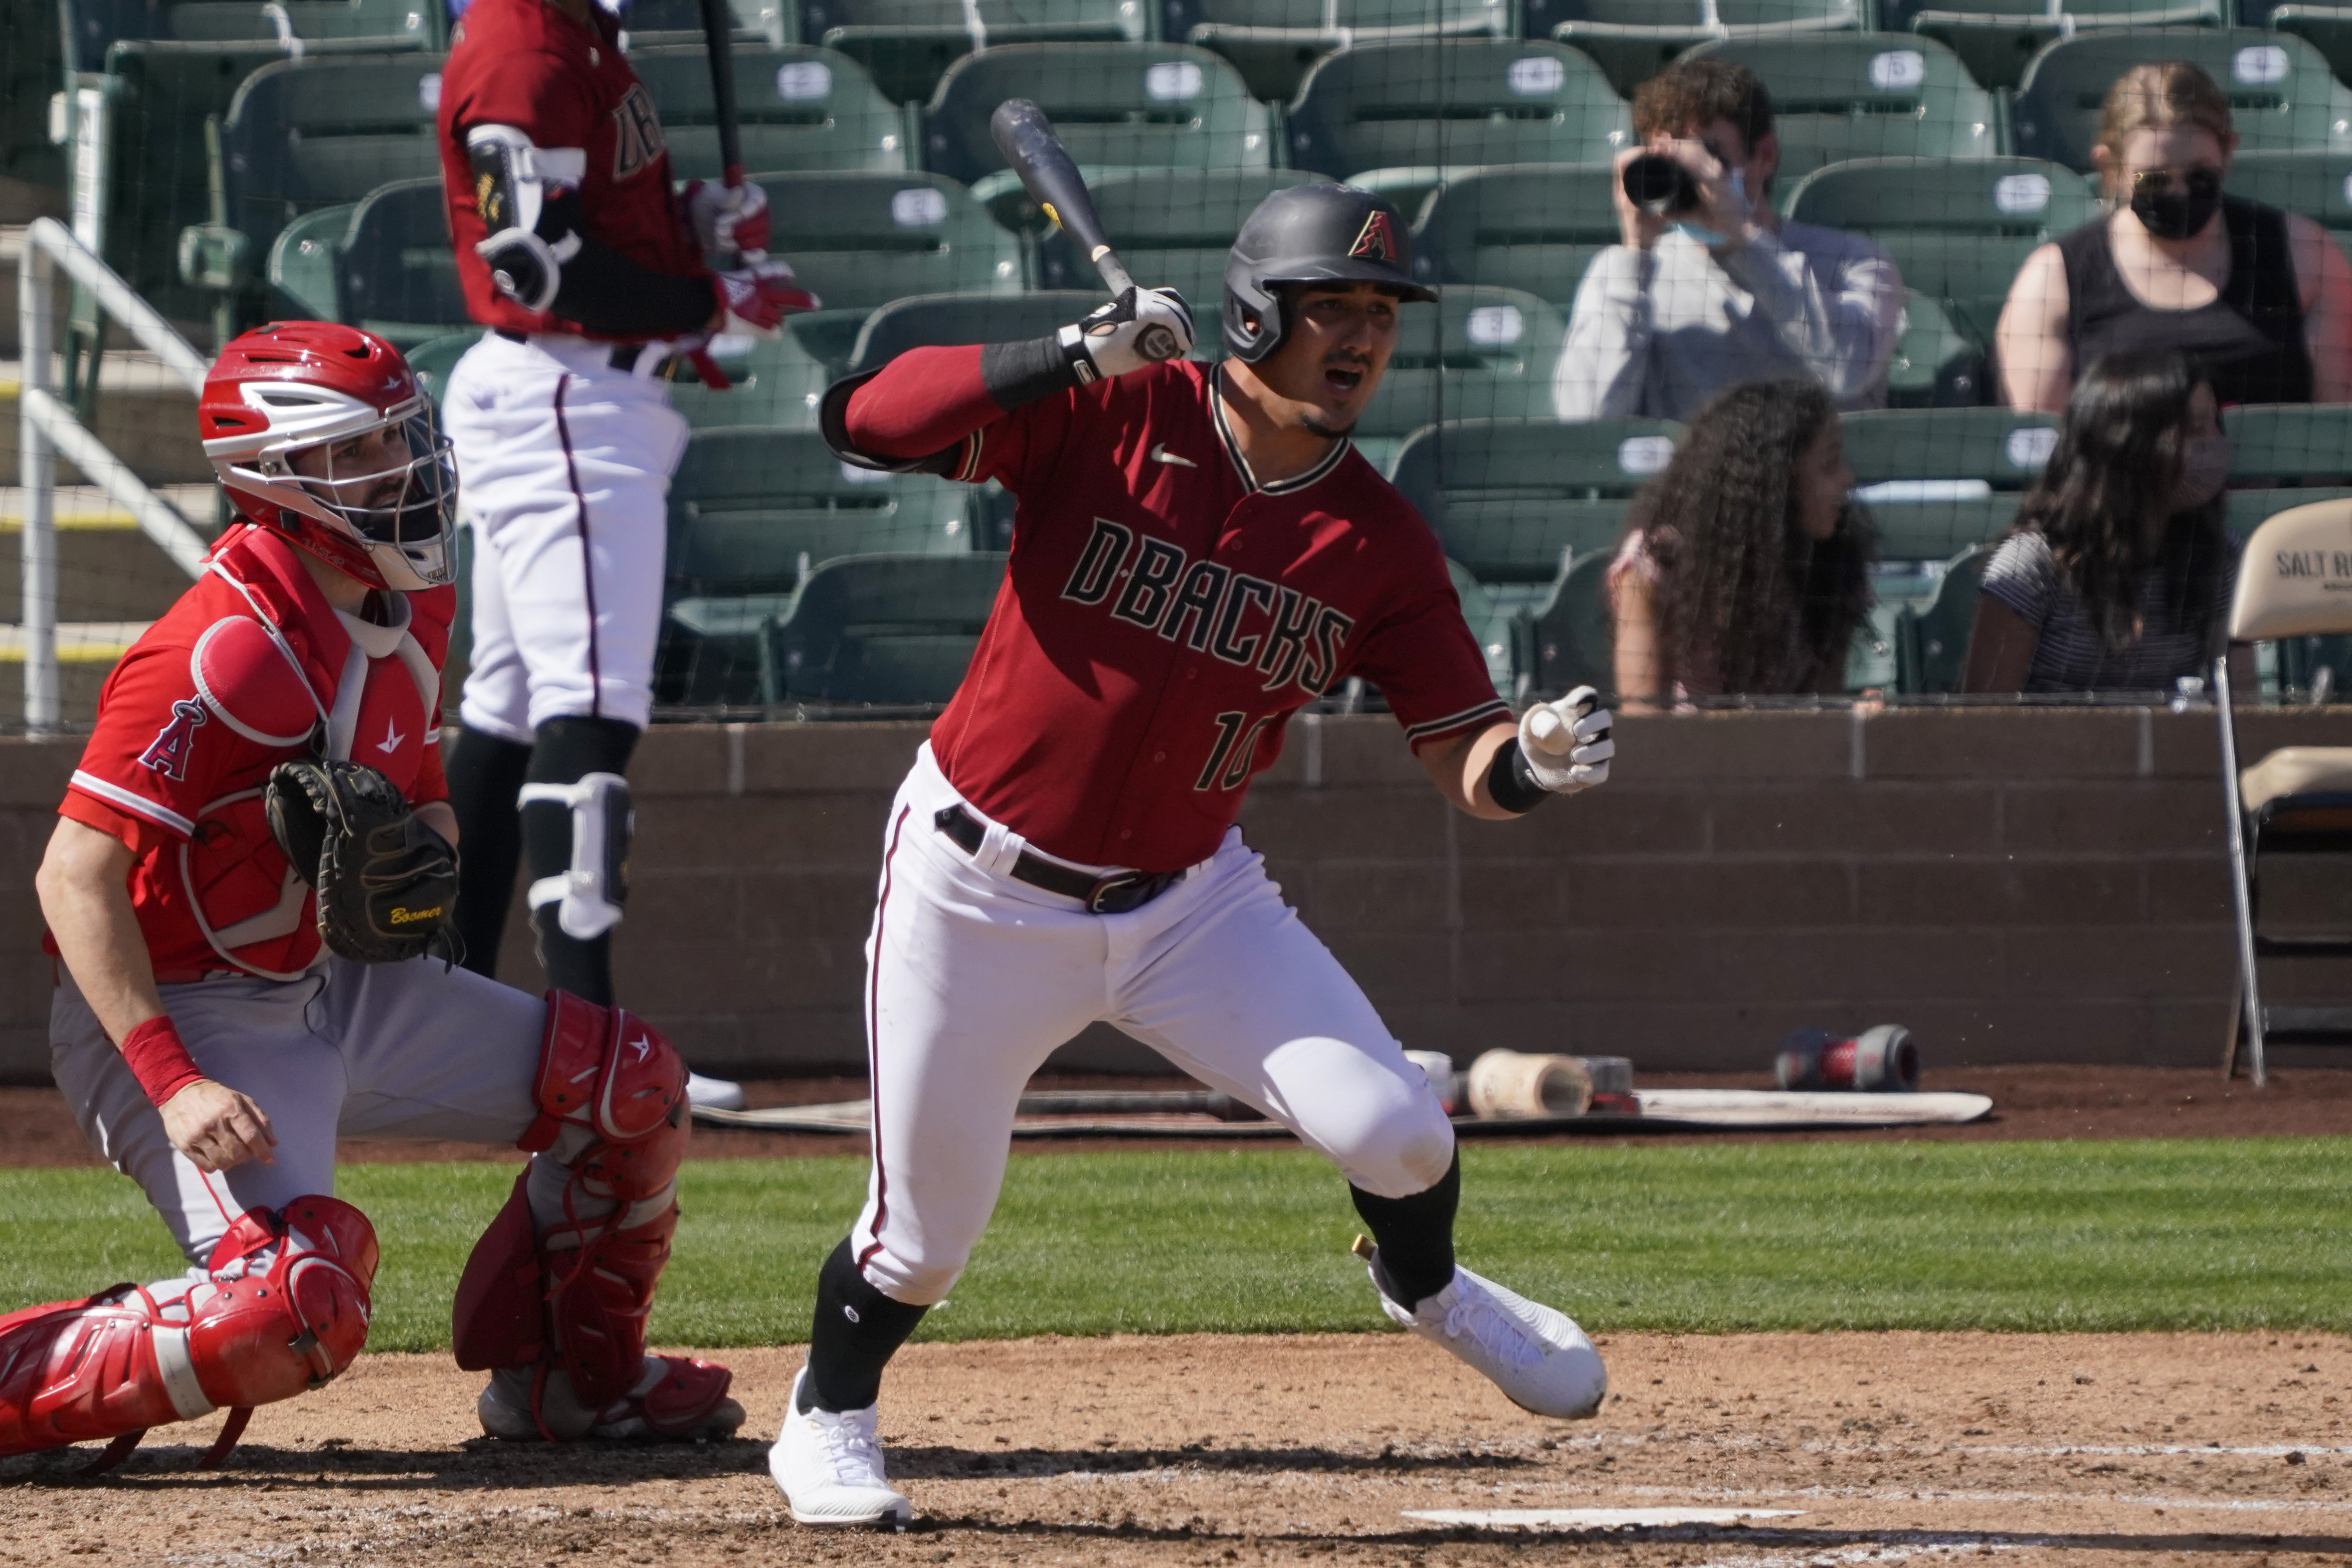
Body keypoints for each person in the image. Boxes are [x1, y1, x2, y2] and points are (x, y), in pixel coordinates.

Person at [765, 184, 1618, 1529]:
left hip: (1189, 906)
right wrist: (1066, 353)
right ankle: (827, 1412)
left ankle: (1429, 1287)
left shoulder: (1378, 539)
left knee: (1397, 1133)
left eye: (1380, 315)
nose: (1361, 338)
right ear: (1251, 311)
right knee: (920, 1242)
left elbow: (1463, 752)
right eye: (1331, 306)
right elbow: (859, 419)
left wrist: (1533, 766)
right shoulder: (1114, 414)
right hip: (976, 888)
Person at [0, 323, 742, 1465]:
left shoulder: (406, 601)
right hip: (188, 1020)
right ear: (276, 479)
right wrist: (177, 1085)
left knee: (630, 1088)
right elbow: (71, 874)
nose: (399, 471)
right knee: (294, 1307)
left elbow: (419, 771)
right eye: (358, 453)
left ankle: (577, 1387)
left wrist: (426, 848)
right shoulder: (220, 650)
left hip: (324, 985)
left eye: (399, 440)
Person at [432, 0, 816, 1111]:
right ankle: (593, 1045)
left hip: (577, 391)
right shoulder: (525, 44)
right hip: (569, 391)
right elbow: (532, 260)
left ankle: (448, 1016)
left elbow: (586, 214)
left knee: (506, 715)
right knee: (593, 710)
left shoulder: (576, 34)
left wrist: (693, 220)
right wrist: (709, 298)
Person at [1553, 56, 1904, 421]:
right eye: (1671, 158)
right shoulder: (1627, 275)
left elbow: (1848, 371)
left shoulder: (1853, 262)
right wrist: (1635, 253)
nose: (1691, 176)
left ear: (1764, 156)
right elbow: (1586, 418)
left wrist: (1744, 240)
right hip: (1692, 476)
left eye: (1708, 154)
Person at [1996, 61, 2352, 413]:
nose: (2179, 194)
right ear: (2111, 168)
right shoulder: (2054, 279)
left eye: (2199, 176)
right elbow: (2039, 446)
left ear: (2228, 153)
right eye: (2154, 180)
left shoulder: (2304, 255)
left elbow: (2336, 436)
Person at [1964, 349, 2238, 693]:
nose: (2215, 443)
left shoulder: (2219, 558)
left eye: (2215, 423)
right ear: (2130, 447)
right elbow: (1981, 719)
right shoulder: (2029, 566)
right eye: (2197, 429)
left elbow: (2241, 709)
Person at [1609, 379, 1875, 706]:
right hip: (1687, 752)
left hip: (1790, 752)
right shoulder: (1653, 566)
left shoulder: (1835, 559)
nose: (1849, 477)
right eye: (1829, 464)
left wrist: (1855, 721)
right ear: (1776, 481)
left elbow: (1821, 712)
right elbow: (1643, 721)